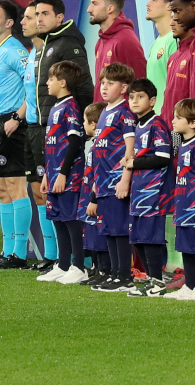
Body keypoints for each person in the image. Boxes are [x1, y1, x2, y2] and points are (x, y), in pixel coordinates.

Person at [0, 0, 34, 270]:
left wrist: (17, 117)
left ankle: (19, 253)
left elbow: (32, 86)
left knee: (15, 188)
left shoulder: (15, 51)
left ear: (9, 23)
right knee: (2, 189)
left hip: (12, 123)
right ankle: (8, 251)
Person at [37, 60, 88, 284]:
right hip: (54, 172)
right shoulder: (56, 106)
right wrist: (49, 174)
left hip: (69, 174)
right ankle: (64, 263)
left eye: (51, 78)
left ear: (63, 82)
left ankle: (79, 266)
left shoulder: (71, 107)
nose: (47, 82)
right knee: (57, 217)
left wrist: (64, 173)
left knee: (70, 218)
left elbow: (75, 142)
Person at [88, 62, 137, 292]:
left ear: (124, 87)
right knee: (107, 229)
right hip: (103, 180)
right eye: (103, 83)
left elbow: (130, 149)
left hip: (117, 180)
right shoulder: (105, 111)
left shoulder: (125, 112)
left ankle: (124, 275)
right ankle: (112, 273)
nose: (104, 87)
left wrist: (125, 178)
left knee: (119, 230)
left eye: (110, 83)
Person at [123, 78, 171, 297]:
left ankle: (158, 282)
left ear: (152, 100)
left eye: (140, 97)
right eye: (131, 97)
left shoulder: (157, 124)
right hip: (139, 191)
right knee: (138, 237)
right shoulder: (138, 125)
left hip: (154, 192)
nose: (134, 101)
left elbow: (163, 157)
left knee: (151, 237)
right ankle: (151, 279)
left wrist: (134, 163)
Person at [19, 3, 55, 268]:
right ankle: (47, 254)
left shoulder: (49, 54)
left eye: (29, 18)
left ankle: (56, 255)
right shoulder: (32, 53)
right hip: (30, 127)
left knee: (49, 191)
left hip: (44, 128)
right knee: (36, 190)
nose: (25, 21)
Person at [164, 98, 195, 302]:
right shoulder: (183, 144)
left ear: (193, 123)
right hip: (182, 204)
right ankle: (190, 285)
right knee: (185, 247)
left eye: (178, 117)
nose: (173, 121)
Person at [32, 0, 95, 116]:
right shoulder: (44, 45)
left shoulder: (68, 44)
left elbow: (83, 85)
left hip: (64, 122)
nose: (39, 19)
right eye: (37, 14)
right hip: (46, 121)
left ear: (59, 17)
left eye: (45, 14)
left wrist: (84, 121)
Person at [80, 101, 110, 286]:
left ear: (93, 124)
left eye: (84, 121)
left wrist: (94, 198)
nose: (83, 125)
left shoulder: (100, 147)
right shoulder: (93, 145)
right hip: (89, 198)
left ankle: (106, 270)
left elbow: (100, 175)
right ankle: (97, 269)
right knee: (92, 235)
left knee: (101, 237)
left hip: (97, 198)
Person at [90, 0, 148, 81]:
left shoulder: (125, 41)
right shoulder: (101, 40)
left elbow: (139, 85)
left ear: (110, 9)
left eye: (94, 4)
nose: (89, 9)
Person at [144, 0, 179, 112]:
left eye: (154, 0)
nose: (148, 4)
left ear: (169, 6)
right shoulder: (156, 43)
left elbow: (178, 87)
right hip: (155, 120)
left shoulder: (175, 41)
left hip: (169, 121)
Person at [160, 9, 195, 124]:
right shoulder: (174, 56)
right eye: (171, 19)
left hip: (186, 129)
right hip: (170, 128)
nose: (171, 23)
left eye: (176, 19)